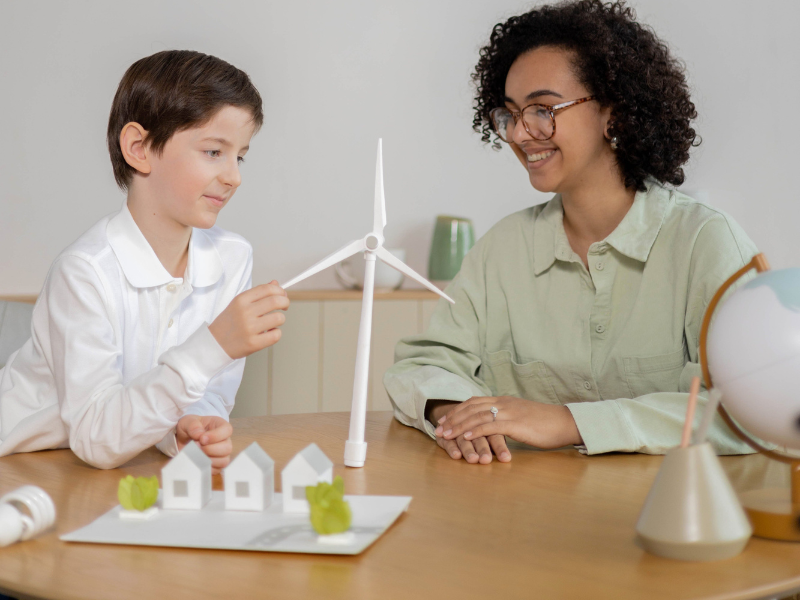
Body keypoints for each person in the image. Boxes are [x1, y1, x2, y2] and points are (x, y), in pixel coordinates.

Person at [384, 0, 756, 464]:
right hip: (524, 515)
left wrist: (567, 421)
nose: (521, 134)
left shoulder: (707, 243)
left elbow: (748, 413)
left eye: (543, 109)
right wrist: (455, 408)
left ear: (612, 113)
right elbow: (423, 364)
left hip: (665, 521)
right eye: (511, 114)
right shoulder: (503, 249)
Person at [0, 50, 289, 471]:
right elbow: (96, 438)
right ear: (138, 148)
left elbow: (207, 390)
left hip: (112, 465)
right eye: (213, 151)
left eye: (239, 155)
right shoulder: (85, 272)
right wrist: (215, 343)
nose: (234, 176)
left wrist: (188, 426)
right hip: (22, 464)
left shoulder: (233, 257)